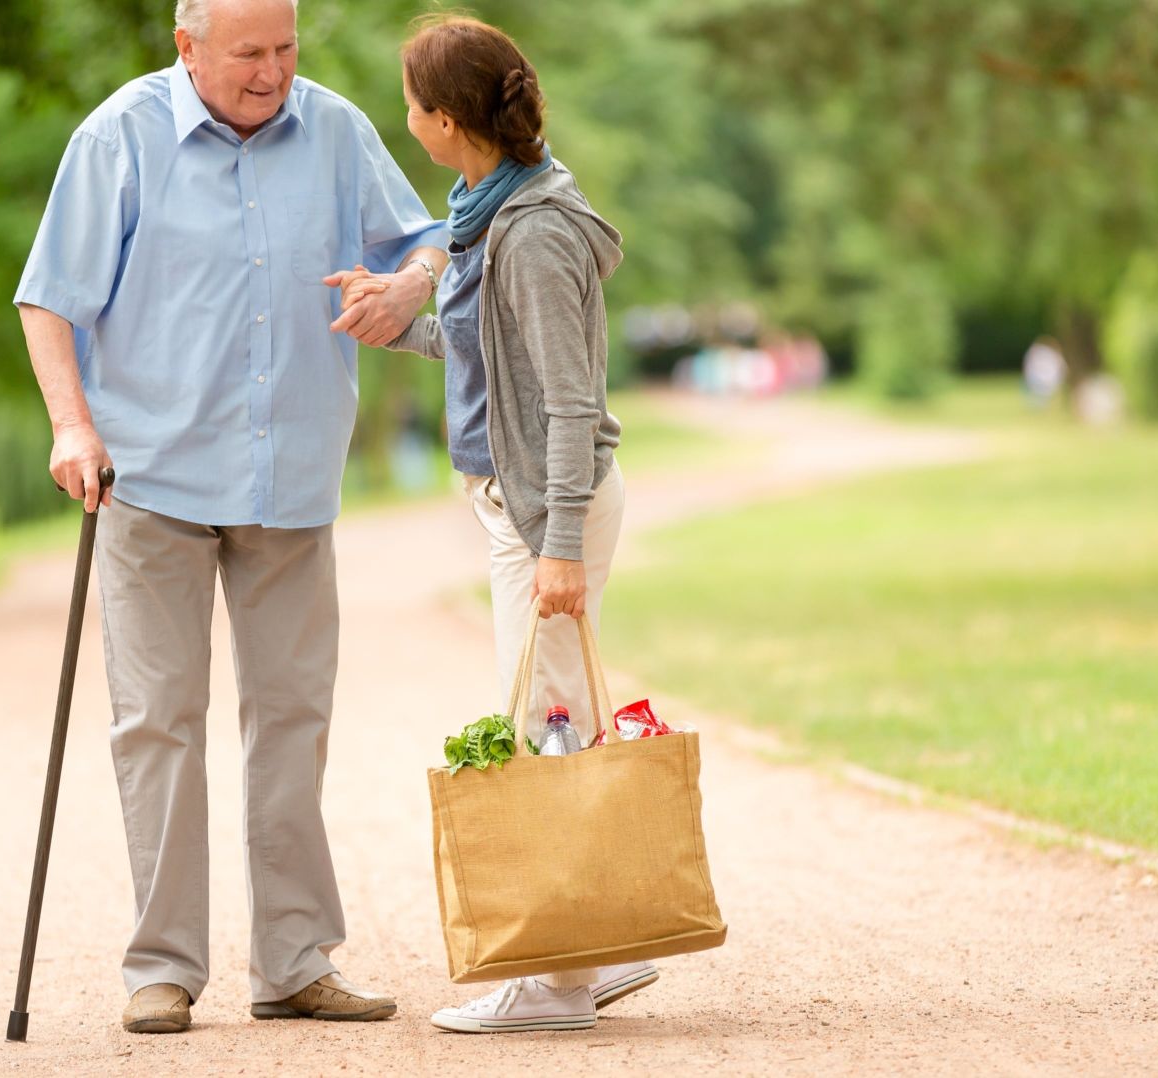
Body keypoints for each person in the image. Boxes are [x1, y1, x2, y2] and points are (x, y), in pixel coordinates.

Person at [12, 0, 447, 1034]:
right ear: (186, 46)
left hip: (290, 477)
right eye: (248, 53)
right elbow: (48, 299)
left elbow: (433, 237)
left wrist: (407, 285)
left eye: (286, 48)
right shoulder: (117, 135)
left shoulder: (335, 129)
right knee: (157, 723)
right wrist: (72, 426)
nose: (271, 73)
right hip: (149, 477)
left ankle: (296, 961)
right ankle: (161, 967)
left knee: (292, 720)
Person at [328, 14, 656, 1034]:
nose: (407, 120)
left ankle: (551, 981)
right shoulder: (484, 205)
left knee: (537, 728)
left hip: (546, 513)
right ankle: (592, 956)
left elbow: (567, 402)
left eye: (412, 104)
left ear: (445, 119)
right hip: (522, 507)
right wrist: (404, 322)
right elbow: (493, 360)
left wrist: (558, 541)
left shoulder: (538, 230)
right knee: (557, 720)